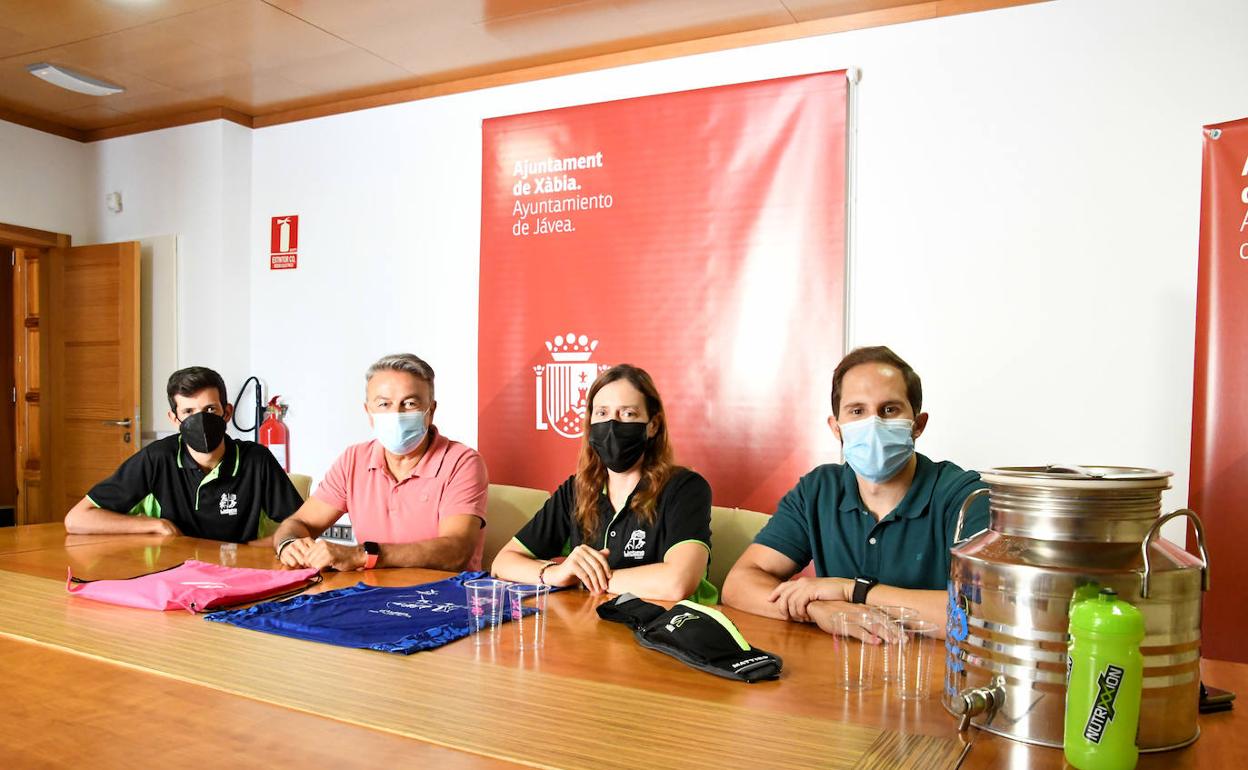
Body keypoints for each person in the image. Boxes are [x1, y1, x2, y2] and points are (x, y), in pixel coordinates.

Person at [721, 346, 989, 637]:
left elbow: (985, 611)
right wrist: (817, 609)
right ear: (836, 428)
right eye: (857, 411)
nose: (873, 423)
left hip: (935, 676)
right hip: (839, 671)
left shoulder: (965, 497)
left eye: (889, 410)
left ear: (918, 425)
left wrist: (852, 591)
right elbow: (738, 584)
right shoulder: (818, 491)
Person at [491, 364, 716, 603]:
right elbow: (502, 563)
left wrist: (587, 578)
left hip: (667, 632)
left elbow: (677, 583)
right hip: (593, 629)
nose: (612, 425)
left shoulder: (685, 488)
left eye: (627, 414)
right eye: (601, 413)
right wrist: (557, 573)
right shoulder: (577, 489)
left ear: (653, 425)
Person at [273, 354, 488, 572]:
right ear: (369, 413)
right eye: (384, 404)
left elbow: (456, 551)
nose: (396, 413)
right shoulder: (353, 459)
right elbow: (299, 523)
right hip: (371, 593)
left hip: (445, 597)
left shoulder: (462, 462)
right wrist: (288, 544)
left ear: (430, 411)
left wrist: (362, 555)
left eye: (410, 403)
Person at [64, 366, 303, 543]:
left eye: (210, 409)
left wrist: (255, 548)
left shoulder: (256, 460)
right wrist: (156, 525)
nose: (200, 420)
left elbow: (303, 525)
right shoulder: (156, 458)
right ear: (174, 419)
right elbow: (77, 519)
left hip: (237, 574)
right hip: (171, 575)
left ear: (227, 412)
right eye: (188, 411)